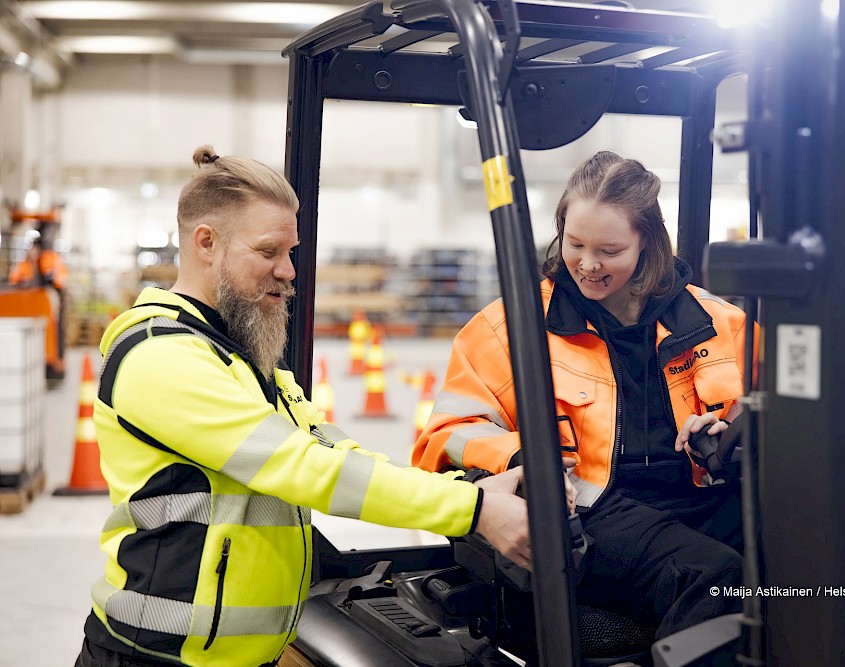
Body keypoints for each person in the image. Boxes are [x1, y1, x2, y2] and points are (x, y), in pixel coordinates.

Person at [75, 146, 531, 667]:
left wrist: (467, 488)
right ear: (207, 243)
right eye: (269, 251)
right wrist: (474, 513)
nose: (289, 270)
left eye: (291, 252)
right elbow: (306, 469)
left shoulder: (237, 357)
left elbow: (335, 451)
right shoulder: (161, 357)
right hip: (154, 659)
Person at [413, 150, 752, 644]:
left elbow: (769, 418)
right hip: (593, 511)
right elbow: (445, 438)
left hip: (698, 498)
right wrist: (525, 459)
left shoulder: (718, 322)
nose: (588, 265)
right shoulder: (509, 328)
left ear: (647, 243)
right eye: (575, 244)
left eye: (609, 251)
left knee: (816, 555)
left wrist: (722, 433)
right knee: (716, 578)